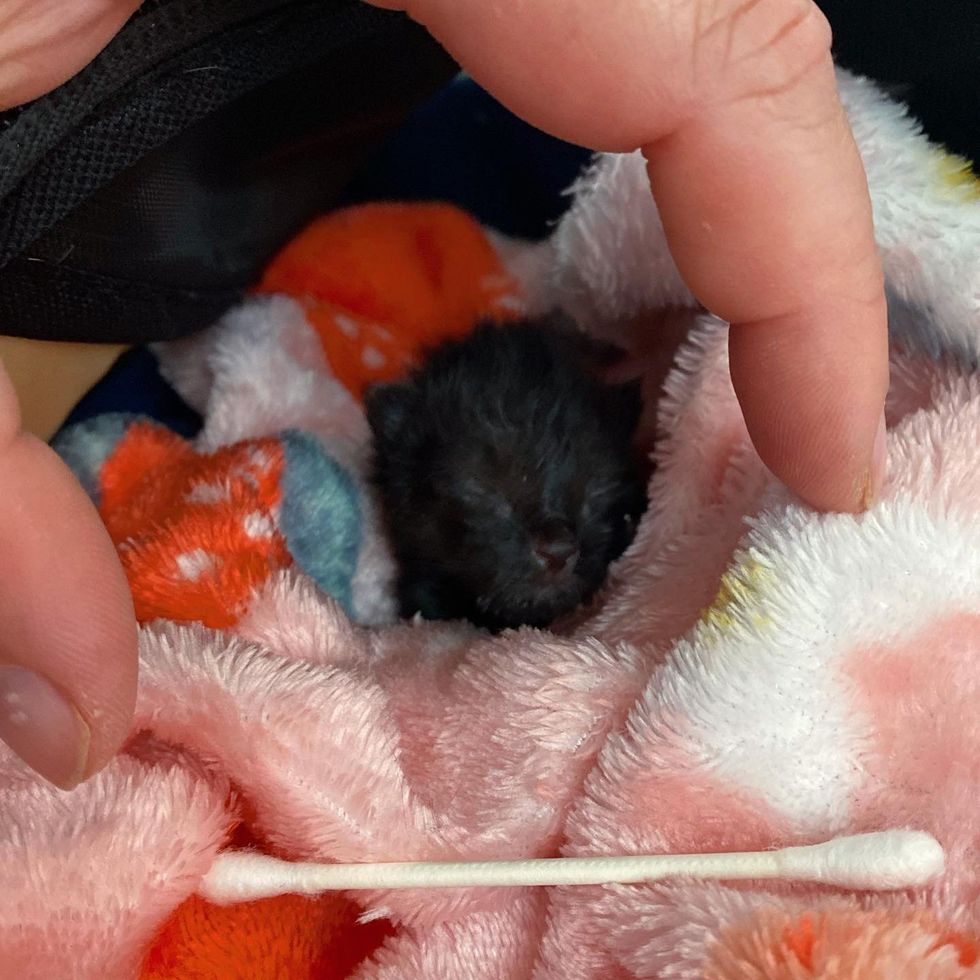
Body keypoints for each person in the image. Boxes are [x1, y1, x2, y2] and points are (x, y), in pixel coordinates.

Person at [0, 0, 890, 788]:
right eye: (482, 517)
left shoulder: (576, 408)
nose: (550, 544)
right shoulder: (404, 507)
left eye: (572, 501)